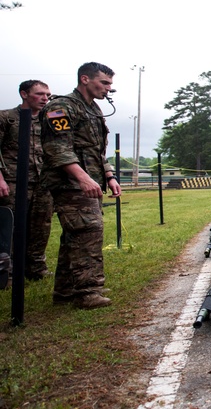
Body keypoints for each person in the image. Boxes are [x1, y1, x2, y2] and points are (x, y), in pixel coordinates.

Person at [41, 62, 121, 309]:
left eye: (109, 83)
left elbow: (96, 150)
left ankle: (65, 290)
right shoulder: (60, 107)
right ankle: (87, 291)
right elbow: (57, 147)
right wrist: (82, 177)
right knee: (88, 230)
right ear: (85, 79)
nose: (108, 88)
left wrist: (108, 175)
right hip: (70, 183)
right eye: (104, 82)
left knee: (74, 234)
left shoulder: (93, 109)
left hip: (91, 181)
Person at [0, 79, 54, 282]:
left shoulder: (49, 119)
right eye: (40, 94)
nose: (45, 99)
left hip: (43, 180)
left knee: (41, 224)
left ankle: (36, 267)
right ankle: (10, 271)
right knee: (11, 225)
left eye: (47, 95)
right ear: (24, 94)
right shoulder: (6, 118)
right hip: (13, 180)